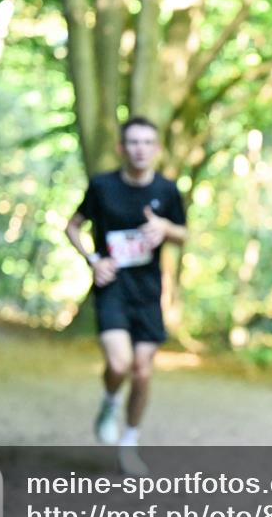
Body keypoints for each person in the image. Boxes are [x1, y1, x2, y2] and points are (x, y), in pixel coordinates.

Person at [66, 117, 188, 476]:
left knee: (143, 371)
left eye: (147, 142)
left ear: (157, 149)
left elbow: (183, 235)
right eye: (133, 142)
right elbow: (72, 226)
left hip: (148, 293)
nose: (140, 149)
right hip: (112, 287)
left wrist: (165, 227)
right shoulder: (102, 187)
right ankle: (109, 402)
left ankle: (130, 442)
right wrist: (92, 260)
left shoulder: (167, 191)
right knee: (119, 364)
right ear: (121, 148)